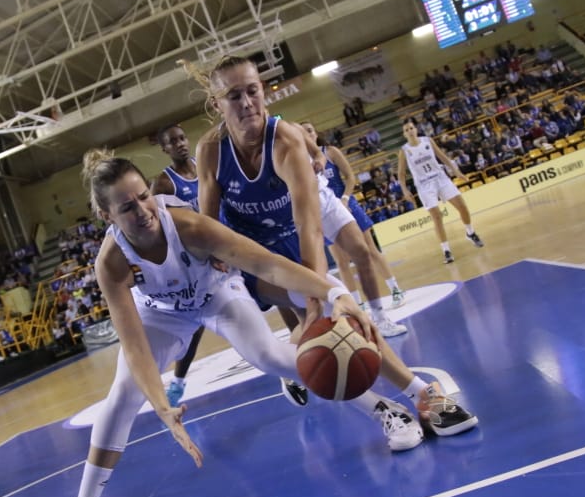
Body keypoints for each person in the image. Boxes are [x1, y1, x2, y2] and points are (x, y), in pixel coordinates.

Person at [37, 152, 434, 497]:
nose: (142, 210)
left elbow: (268, 264)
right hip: (162, 313)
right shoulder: (112, 262)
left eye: (143, 197)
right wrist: (161, 407)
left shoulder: (188, 226)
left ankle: (388, 410)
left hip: (216, 292)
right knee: (122, 394)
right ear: (106, 215)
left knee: (271, 355)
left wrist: (335, 293)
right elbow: (135, 345)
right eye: (126, 206)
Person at [191, 56, 477, 427]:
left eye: (252, 91)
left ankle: (415, 399)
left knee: (335, 307)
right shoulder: (211, 150)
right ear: (217, 104)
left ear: (264, 92)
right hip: (247, 256)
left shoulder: (286, 141)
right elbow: (208, 226)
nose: (246, 102)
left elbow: (309, 227)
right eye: (233, 95)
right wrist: (215, 269)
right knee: (316, 314)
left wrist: (318, 295)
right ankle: (413, 395)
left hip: (291, 242)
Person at [302, 122, 406, 319]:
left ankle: (395, 289)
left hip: (347, 204)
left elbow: (350, 177)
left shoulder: (330, 151)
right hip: (324, 211)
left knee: (368, 250)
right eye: (304, 132)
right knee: (341, 262)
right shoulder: (302, 159)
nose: (307, 134)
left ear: (316, 133)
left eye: (310, 130)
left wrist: (345, 198)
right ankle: (358, 303)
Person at [149, 123, 205, 408]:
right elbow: (154, 224)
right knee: (195, 329)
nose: (181, 143)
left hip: (222, 246)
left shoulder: (204, 164)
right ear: (165, 149)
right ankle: (178, 383)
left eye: (183, 137)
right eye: (174, 141)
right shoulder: (163, 183)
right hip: (193, 261)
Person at [393, 120, 485, 264]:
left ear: (416, 129)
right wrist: (405, 190)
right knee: (437, 217)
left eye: (411, 128)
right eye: (407, 130)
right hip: (424, 185)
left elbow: (443, 157)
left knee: (462, 206)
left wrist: (456, 171)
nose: (410, 131)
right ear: (404, 134)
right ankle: (446, 250)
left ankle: (470, 233)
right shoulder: (404, 151)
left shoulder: (428, 141)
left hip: (441, 178)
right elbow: (401, 173)